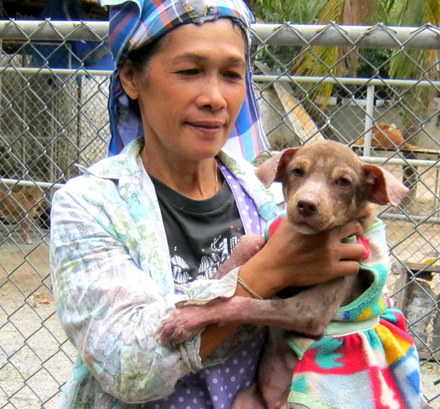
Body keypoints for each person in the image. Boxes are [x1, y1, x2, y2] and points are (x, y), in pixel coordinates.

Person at [49, 1, 365, 408]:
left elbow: (342, 323)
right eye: (189, 71)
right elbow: (126, 369)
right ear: (131, 77)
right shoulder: (90, 205)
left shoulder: (270, 199)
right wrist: (263, 273)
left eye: (232, 75)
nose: (215, 98)